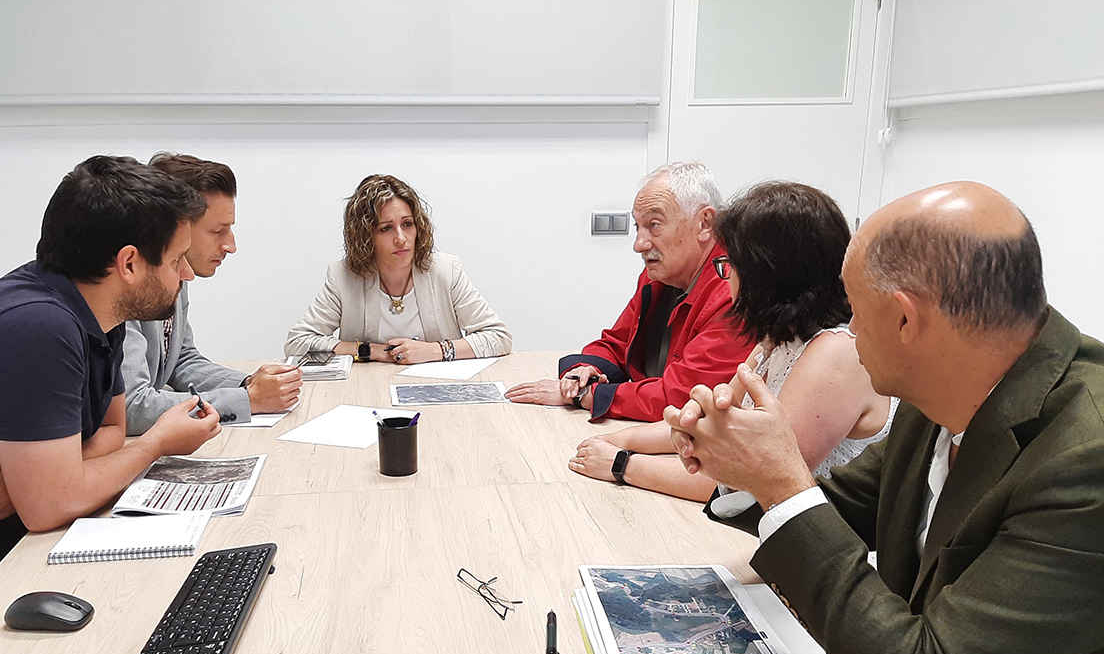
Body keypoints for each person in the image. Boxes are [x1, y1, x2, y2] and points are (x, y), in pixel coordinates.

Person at [665, 181, 1104, 654]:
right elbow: (829, 514)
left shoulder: (1085, 456)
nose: (844, 325)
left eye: (853, 306)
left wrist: (783, 482)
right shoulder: (949, 389)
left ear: (905, 319)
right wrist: (738, 460)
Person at [0, 155, 223, 654]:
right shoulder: (36, 327)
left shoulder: (102, 315)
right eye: (178, 258)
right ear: (130, 263)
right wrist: (158, 443)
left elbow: (112, 429)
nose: (186, 272)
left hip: (15, 549)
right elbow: (50, 505)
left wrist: (37, 480)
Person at [569, 182, 895, 500]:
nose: (728, 280)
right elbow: (704, 425)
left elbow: (747, 480)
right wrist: (619, 439)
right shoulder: (776, 341)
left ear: (767, 276)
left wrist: (621, 464)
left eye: (731, 266)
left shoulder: (833, 355)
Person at [505, 161, 752, 422]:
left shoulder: (733, 289)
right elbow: (617, 344)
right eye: (638, 227)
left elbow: (683, 396)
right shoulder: (657, 276)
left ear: (705, 223)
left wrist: (584, 396)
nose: (639, 244)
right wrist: (581, 373)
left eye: (654, 225)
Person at [122, 153, 302, 433]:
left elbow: (182, 360)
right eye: (218, 231)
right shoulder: (126, 287)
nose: (231, 245)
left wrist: (248, 384)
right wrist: (247, 400)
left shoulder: (177, 275)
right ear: (176, 227)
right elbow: (132, 407)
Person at [284, 174, 512, 364]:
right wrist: (367, 350)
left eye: (407, 224)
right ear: (365, 236)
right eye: (385, 229)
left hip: (438, 389)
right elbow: (297, 343)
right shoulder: (343, 277)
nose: (401, 238)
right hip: (365, 391)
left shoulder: (445, 270)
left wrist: (435, 351)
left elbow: (499, 337)